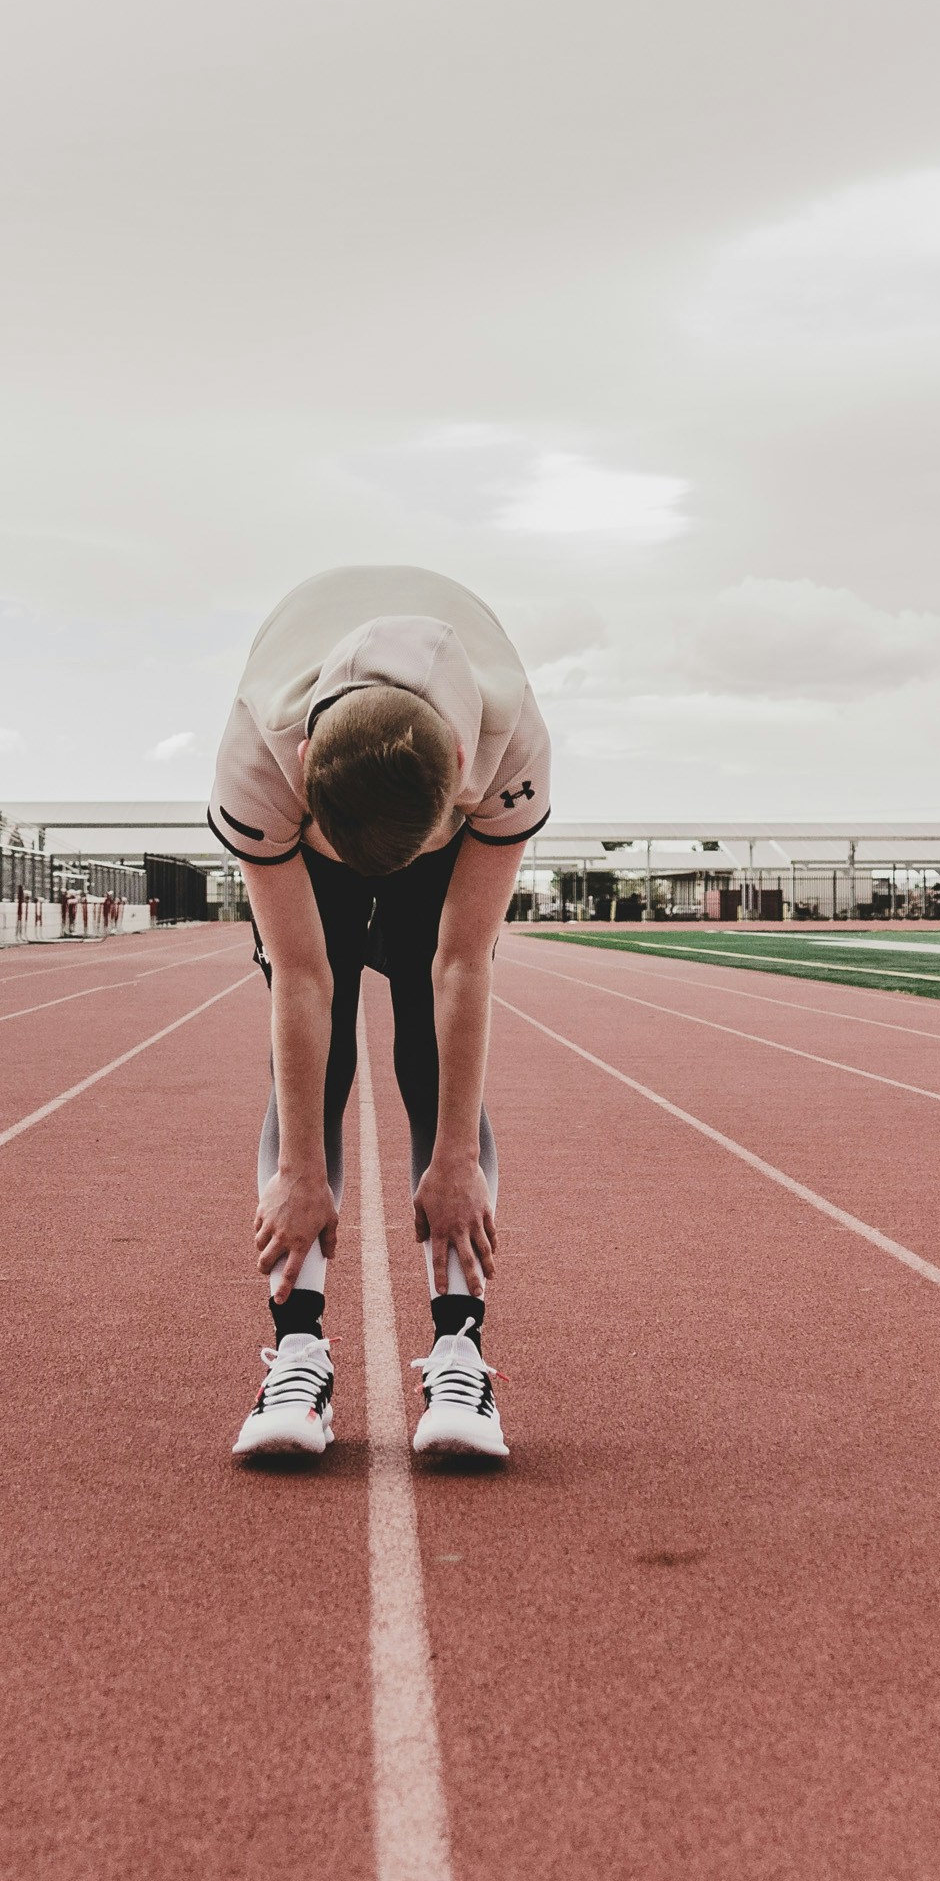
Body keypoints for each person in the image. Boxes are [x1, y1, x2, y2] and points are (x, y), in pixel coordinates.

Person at [212, 565, 549, 1461]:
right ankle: (297, 1352)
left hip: (437, 821)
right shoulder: (259, 758)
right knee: (310, 1082)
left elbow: (459, 964)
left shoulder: (512, 750)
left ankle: (459, 1351)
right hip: (318, 814)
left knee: (431, 1062)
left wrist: (451, 1162)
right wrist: (301, 1174)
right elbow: (303, 972)